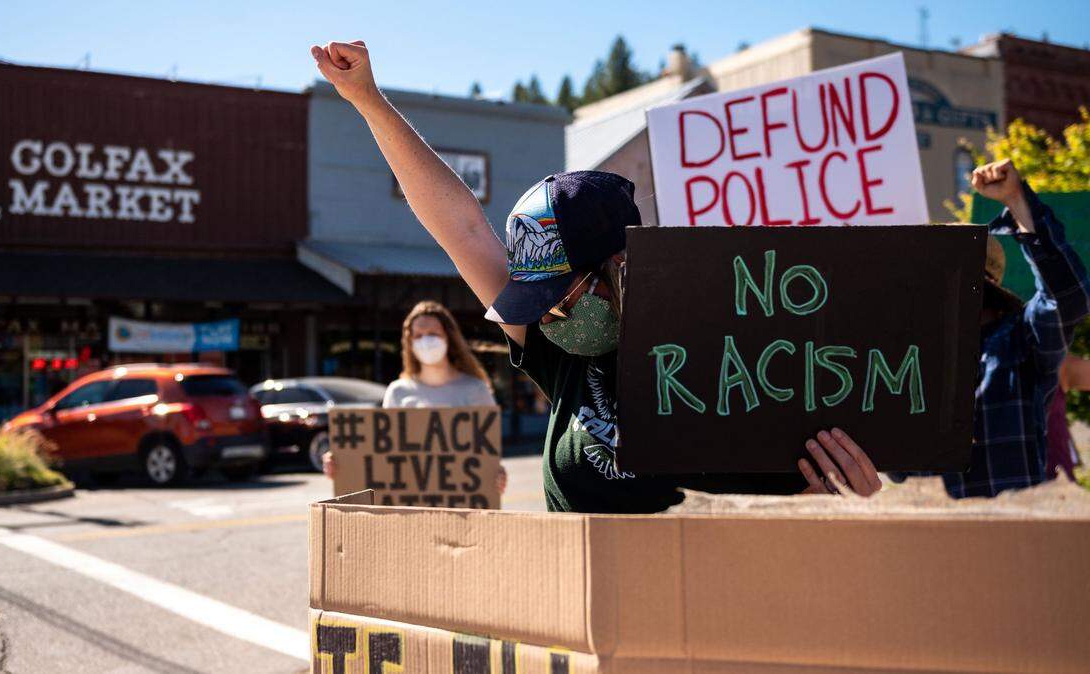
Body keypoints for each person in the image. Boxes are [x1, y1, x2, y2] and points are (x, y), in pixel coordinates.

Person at [309, 41, 880, 513]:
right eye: (536, 305)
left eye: (562, 297)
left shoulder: (741, 358)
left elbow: (799, 508)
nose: (548, 317)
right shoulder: (563, 359)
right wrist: (368, 101)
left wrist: (843, 487)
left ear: (621, 269)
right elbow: (460, 225)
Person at [932, 161, 1088, 497]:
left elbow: (1068, 298)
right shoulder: (911, 359)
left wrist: (1017, 202)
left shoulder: (1022, 339)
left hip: (1015, 537)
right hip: (930, 539)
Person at [323, 300, 507, 491]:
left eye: (433, 334)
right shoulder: (398, 392)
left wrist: (495, 476)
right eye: (418, 336)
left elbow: (488, 455)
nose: (426, 341)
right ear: (409, 343)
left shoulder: (476, 389)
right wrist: (342, 463)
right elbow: (385, 456)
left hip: (464, 510)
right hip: (414, 511)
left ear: (448, 337)